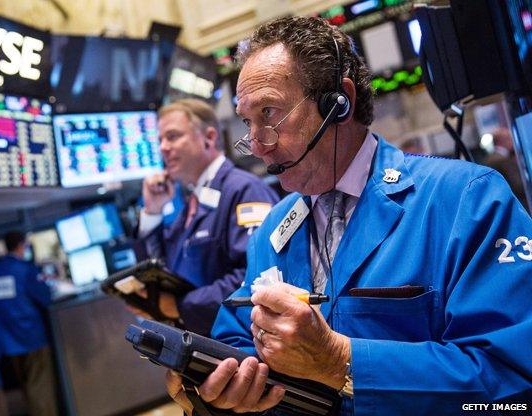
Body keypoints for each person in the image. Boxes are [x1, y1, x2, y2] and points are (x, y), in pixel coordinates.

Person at [165, 16, 532, 415]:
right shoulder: (273, 228)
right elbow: (236, 334)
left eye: (269, 113)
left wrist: (340, 360)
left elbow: (512, 380)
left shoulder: (465, 199)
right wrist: (224, 383)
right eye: (247, 123)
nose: (257, 145)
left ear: (339, 103)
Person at [137, 98, 279, 335]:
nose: (163, 147)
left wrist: (182, 307)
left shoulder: (243, 190)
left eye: (172, 136)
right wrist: (152, 211)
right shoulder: (194, 201)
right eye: (160, 140)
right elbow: (162, 267)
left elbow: (256, 276)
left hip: (244, 346)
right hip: (206, 341)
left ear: (209, 137)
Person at [0, 231, 58, 416]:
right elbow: (45, 297)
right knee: (39, 387)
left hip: (9, 341)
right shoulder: (25, 269)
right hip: (32, 337)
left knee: (26, 388)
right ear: (21, 245)